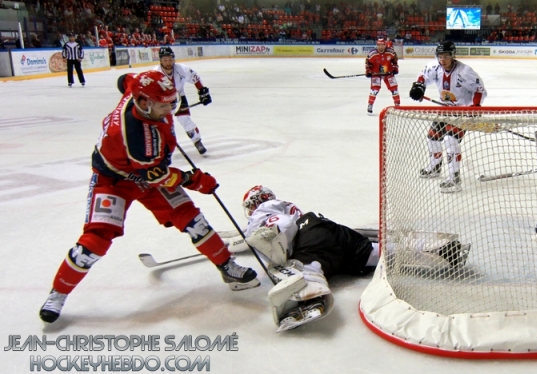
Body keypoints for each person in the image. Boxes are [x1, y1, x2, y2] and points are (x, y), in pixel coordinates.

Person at [39, 71, 259, 324]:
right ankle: (58, 292)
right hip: (115, 181)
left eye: (171, 101)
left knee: (192, 219)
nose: (170, 108)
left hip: (147, 170)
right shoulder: (138, 135)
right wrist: (195, 180)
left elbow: (124, 79)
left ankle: (227, 267)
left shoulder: (138, 88)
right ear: (144, 103)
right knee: (94, 242)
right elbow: (159, 177)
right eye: (164, 104)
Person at [235, 185, 470, 331]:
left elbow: (282, 227)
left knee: (306, 267)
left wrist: (268, 244)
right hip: (330, 230)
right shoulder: (284, 204)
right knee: (376, 252)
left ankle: (308, 300)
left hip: (311, 241)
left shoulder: (262, 210)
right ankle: (437, 249)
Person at [409, 40, 487, 193]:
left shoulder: (464, 72)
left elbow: (479, 89)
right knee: (432, 137)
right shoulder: (435, 67)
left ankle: (454, 177)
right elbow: (423, 76)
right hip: (445, 110)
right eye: (440, 56)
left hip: (462, 112)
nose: (442, 60)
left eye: (446, 56)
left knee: (450, 140)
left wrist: (475, 107)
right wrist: (419, 86)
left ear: (453, 56)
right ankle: (435, 166)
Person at [154, 46, 212, 155]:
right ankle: (161, 147)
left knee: (185, 120)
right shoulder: (155, 74)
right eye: (165, 60)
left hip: (179, 97)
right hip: (162, 102)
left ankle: (197, 141)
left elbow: (195, 77)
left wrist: (202, 91)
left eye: (170, 59)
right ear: (160, 60)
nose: (168, 62)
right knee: (161, 125)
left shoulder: (181, 69)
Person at [365, 38, 400, 114]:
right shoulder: (372, 54)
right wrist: (368, 71)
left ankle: (397, 105)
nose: (380, 47)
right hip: (376, 73)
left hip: (388, 73)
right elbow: (368, 63)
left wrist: (395, 68)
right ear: (376, 45)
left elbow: (395, 60)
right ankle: (370, 105)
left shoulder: (391, 52)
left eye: (382, 45)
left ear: (385, 45)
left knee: (394, 89)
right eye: (379, 45)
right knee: (374, 90)